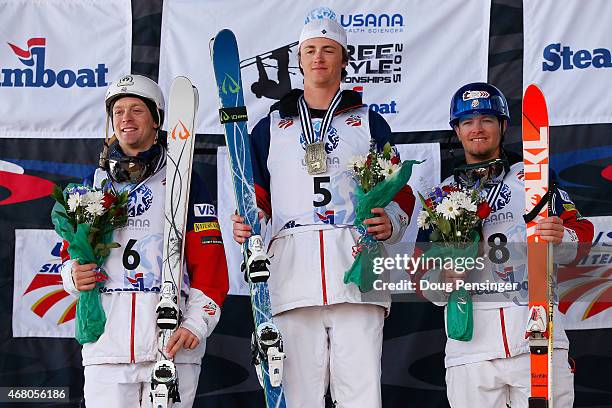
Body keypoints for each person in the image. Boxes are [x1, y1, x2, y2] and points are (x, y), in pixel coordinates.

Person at [231, 8, 415, 408]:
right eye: (310, 50)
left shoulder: (368, 121)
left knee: (361, 393)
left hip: (355, 267)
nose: (318, 58)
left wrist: (392, 221)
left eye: (328, 50)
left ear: (344, 60)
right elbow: (257, 195)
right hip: (290, 273)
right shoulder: (270, 124)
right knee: (296, 395)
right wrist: (249, 222)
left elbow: (400, 190)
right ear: (298, 60)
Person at [415, 82, 593, 407]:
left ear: (502, 126)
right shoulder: (441, 196)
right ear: (457, 130)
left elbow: (580, 238)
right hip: (470, 350)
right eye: (467, 121)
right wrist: (443, 278)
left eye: (486, 119)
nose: (477, 129)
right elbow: (423, 279)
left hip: (537, 336)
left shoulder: (534, 176)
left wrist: (560, 235)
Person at [59, 74, 229, 407]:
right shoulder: (91, 184)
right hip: (106, 345)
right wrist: (72, 276)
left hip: (170, 343)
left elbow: (210, 261)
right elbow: (72, 256)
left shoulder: (183, 178)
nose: (126, 118)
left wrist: (197, 323)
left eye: (136, 109)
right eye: (119, 111)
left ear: (156, 119)